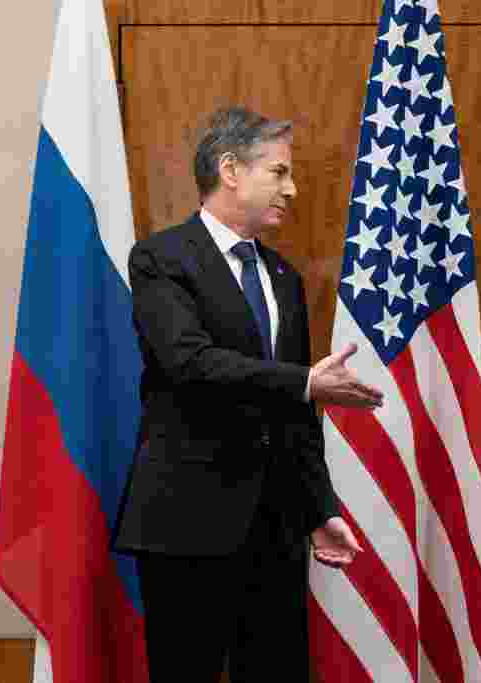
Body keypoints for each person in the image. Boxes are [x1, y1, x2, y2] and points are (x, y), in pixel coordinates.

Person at [112, 106, 384, 682]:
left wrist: (319, 509)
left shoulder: (283, 277)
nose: (293, 188)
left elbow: (296, 415)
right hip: (187, 523)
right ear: (230, 170)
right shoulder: (161, 259)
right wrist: (305, 380)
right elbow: (189, 362)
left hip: (275, 527)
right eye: (279, 173)